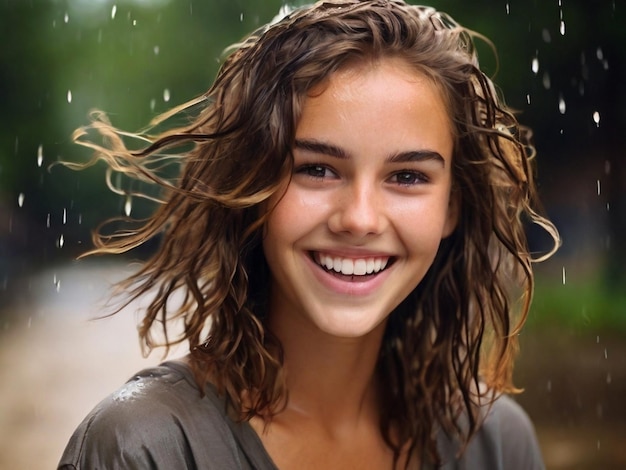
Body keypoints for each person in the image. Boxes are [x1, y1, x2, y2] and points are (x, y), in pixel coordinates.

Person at [58, 1, 560, 468]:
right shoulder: (145, 446)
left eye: (407, 177)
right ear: (251, 184)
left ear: (451, 207)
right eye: (318, 170)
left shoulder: (495, 442)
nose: (360, 219)